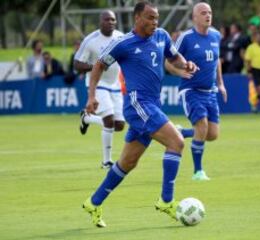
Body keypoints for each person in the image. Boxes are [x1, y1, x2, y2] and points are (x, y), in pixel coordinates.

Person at [82, 1, 198, 228]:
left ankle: (93, 202)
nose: (155, 22)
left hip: (152, 104)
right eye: (150, 18)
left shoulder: (162, 36)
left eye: (156, 18)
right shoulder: (123, 43)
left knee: (128, 162)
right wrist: (91, 96)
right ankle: (167, 201)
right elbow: (98, 65)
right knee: (176, 142)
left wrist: (187, 65)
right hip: (137, 105)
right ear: (137, 18)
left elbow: (174, 58)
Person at [168, 2, 227, 180]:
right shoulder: (185, 38)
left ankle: (182, 132)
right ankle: (198, 172)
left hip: (210, 92)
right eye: (203, 13)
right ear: (195, 18)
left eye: (209, 12)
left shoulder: (216, 35)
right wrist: (180, 72)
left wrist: (221, 84)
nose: (207, 15)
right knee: (201, 124)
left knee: (212, 134)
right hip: (191, 90)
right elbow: (168, 62)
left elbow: (217, 60)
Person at [74, 10, 126, 169]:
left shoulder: (120, 37)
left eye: (113, 20)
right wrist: (95, 67)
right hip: (97, 83)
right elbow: (76, 64)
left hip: (115, 84)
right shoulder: (91, 40)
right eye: (107, 19)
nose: (110, 22)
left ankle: (87, 118)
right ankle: (106, 162)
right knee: (108, 120)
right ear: (100, 22)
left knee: (119, 125)